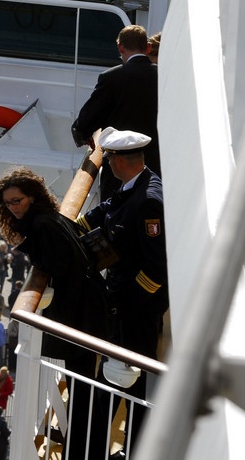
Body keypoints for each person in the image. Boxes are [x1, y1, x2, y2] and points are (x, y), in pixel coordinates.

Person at [0, 166, 112, 459]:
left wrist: (25, 246)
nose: (12, 207)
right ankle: (86, 445)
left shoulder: (41, 226)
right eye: (7, 203)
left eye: (16, 200)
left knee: (82, 387)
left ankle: (83, 448)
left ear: (31, 197)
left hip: (79, 316)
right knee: (83, 385)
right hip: (85, 310)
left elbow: (56, 265)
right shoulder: (47, 219)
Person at [77, 127, 168, 456]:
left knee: (134, 379)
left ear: (117, 162)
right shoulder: (135, 185)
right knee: (120, 376)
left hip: (137, 308)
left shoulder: (149, 201)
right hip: (124, 301)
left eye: (110, 158)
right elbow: (105, 213)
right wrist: (71, 227)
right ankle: (111, 446)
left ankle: (135, 448)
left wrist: (130, 303)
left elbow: (158, 268)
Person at [70, 24, 159, 200]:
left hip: (119, 163)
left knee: (114, 212)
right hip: (155, 162)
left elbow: (89, 117)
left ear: (120, 47)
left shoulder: (111, 77)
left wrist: (82, 134)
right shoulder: (165, 76)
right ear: (148, 47)